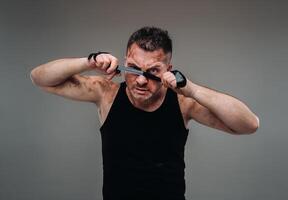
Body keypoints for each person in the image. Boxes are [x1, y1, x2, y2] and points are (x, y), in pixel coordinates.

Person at [30, 26, 259, 200]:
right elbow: (40, 78)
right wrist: (88, 62)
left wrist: (192, 89)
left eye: (152, 71)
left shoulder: (184, 103)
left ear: (168, 70)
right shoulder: (106, 94)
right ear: (124, 62)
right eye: (133, 68)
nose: (140, 80)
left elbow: (249, 124)